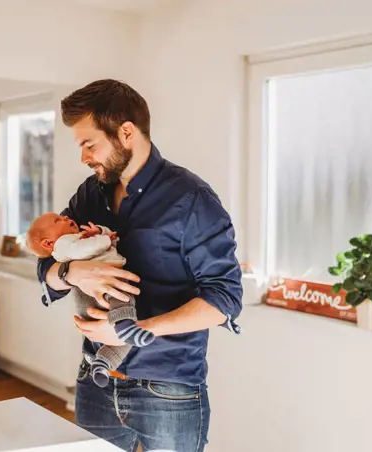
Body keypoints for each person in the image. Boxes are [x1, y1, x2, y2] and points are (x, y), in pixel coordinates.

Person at [35, 79, 243, 452]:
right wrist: (71, 272)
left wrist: (135, 330)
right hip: (95, 382)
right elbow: (48, 262)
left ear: (126, 133)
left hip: (168, 392)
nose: (84, 157)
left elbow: (224, 299)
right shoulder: (89, 193)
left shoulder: (193, 199)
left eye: (89, 144)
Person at [26, 213, 155, 387]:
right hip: (96, 293)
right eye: (58, 220)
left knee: (123, 341)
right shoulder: (64, 245)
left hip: (97, 301)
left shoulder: (77, 237)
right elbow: (86, 249)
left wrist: (100, 232)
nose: (65, 217)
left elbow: (110, 238)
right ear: (48, 243)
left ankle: (103, 363)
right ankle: (124, 324)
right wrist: (103, 240)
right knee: (122, 297)